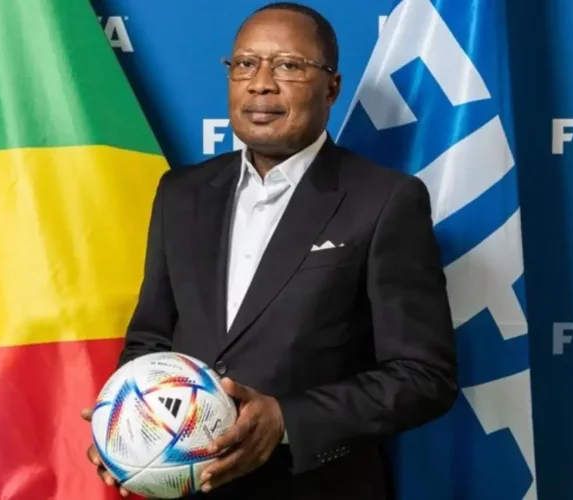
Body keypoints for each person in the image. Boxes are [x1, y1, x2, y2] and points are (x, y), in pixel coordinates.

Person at [82, 2, 458, 498]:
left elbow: (424, 376)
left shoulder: (386, 200)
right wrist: (124, 430)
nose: (261, 84)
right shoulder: (181, 193)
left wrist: (285, 420)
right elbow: (150, 340)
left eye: (288, 66)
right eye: (245, 64)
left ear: (331, 88)